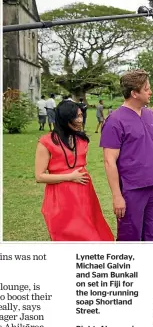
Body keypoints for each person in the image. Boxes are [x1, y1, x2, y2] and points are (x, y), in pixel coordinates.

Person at [100, 69, 153, 241]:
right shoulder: (115, 121)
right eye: (146, 89)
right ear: (134, 93)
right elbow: (109, 161)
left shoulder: (151, 116)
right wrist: (117, 195)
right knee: (129, 239)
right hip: (132, 190)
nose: (150, 92)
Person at [35, 100, 114, 241]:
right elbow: (39, 176)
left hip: (84, 194)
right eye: (75, 117)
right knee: (69, 237)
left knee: (94, 234)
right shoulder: (46, 142)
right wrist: (69, 177)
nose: (80, 120)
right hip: (61, 197)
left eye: (80, 115)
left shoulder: (81, 140)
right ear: (65, 119)